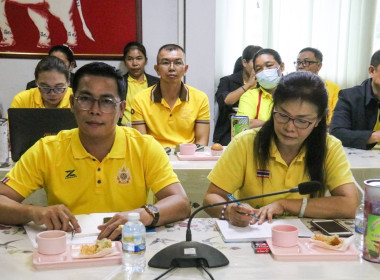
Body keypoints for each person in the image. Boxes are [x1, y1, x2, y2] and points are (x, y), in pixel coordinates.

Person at [0, 62, 190, 240]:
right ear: (73, 104)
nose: (95, 110)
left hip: (128, 245)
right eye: (85, 99)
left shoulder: (144, 146)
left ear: (121, 109)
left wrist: (143, 215)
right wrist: (34, 212)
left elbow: (180, 202)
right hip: (68, 247)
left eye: (106, 101)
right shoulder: (47, 149)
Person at [204, 71, 357, 227]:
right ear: (273, 109)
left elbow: (349, 205)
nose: (289, 128)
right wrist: (229, 211)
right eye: (283, 115)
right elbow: (212, 197)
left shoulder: (329, 147)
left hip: (306, 242)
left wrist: (285, 204)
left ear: (318, 120)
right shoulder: (246, 143)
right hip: (254, 232)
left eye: (302, 121)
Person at [132, 44, 210, 147]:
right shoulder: (140, 99)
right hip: (154, 158)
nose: (172, 68)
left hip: (188, 158)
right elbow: (142, 144)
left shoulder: (200, 98)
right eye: (165, 63)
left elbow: (202, 142)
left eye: (178, 63)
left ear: (185, 69)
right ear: (157, 69)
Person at [330, 50, 380, 150]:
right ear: (372, 71)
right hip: (361, 159)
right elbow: (336, 133)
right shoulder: (349, 96)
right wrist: (375, 136)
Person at [213, 45, 263, 146]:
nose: (259, 68)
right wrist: (248, 85)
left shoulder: (264, 83)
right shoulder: (227, 81)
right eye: (255, 63)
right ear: (244, 62)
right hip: (229, 131)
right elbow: (226, 100)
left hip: (259, 130)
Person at [236, 48, 284, 129]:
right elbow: (239, 127)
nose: (264, 71)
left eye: (269, 65)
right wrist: (274, 124)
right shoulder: (250, 96)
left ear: (282, 66)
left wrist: (257, 123)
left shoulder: (294, 94)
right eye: (258, 69)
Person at [295, 47, 340, 124]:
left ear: (319, 66)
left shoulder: (333, 88)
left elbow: (336, 118)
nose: (300, 66)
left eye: (306, 62)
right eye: (298, 62)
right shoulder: (289, 87)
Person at [120, 41, 159, 126]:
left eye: (139, 58)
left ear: (145, 61)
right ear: (125, 62)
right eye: (130, 59)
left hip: (150, 130)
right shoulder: (118, 82)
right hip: (125, 130)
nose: (135, 63)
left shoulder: (157, 83)